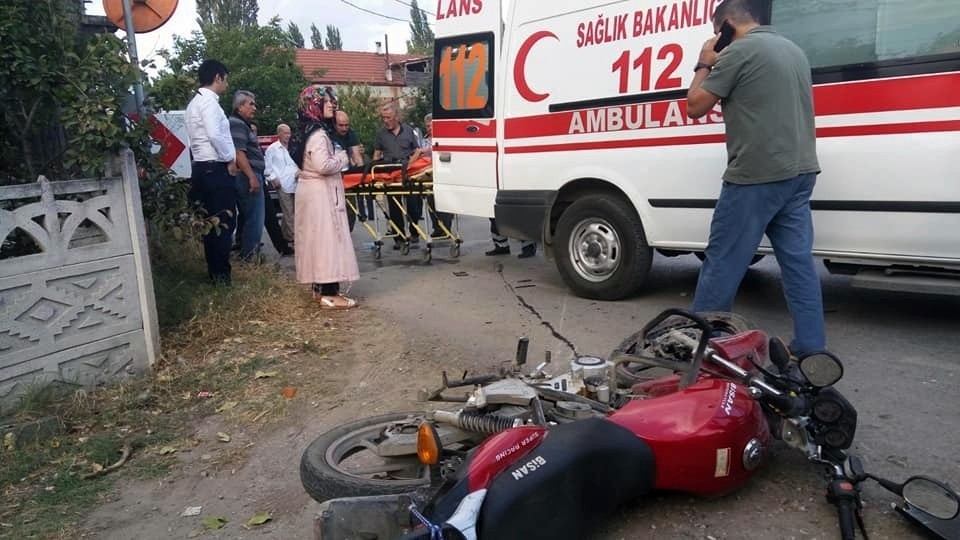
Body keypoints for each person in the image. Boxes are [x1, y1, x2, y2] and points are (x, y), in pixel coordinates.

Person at [686, 0, 825, 355]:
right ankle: (810, 347)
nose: (718, 38)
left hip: (756, 175)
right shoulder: (794, 50)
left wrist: (705, 60)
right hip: (800, 172)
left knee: (722, 261)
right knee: (797, 263)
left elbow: (695, 105)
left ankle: (706, 349)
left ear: (727, 25)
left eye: (719, 33)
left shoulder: (740, 52)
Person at [289, 85, 359, 309]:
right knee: (327, 240)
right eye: (326, 101)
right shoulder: (318, 135)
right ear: (314, 105)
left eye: (332, 101)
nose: (332, 104)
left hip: (311, 191)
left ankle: (319, 289)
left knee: (315, 240)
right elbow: (323, 165)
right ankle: (330, 292)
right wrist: (342, 158)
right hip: (321, 193)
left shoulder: (304, 131)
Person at [185, 59, 238, 285]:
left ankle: (216, 274)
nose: (227, 84)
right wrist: (230, 158)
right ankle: (221, 276)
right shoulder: (209, 104)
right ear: (218, 77)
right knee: (223, 223)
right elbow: (215, 135)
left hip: (201, 168)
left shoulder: (194, 103)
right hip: (214, 168)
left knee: (211, 225)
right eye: (226, 79)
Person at [373, 103, 424, 248]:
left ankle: (414, 231)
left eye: (388, 117)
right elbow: (377, 154)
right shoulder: (381, 134)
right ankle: (399, 237)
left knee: (413, 206)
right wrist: (375, 171)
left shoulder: (409, 131)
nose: (386, 121)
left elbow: (417, 151)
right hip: (391, 174)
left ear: (396, 117)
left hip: (408, 172)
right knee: (394, 208)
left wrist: (411, 164)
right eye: (383, 118)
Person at [229, 90, 267, 262]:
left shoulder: (242, 124)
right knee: (255, 219)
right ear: (239, 106)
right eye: (250, 104)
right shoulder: (237, 124)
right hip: (247, 176)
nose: (255, 108)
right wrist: (251, 176)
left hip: (249, 174)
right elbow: (239, 153)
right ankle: (250, 259)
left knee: (247, 217)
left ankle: (247, 255)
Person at [332, 110, 374, 228]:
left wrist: (362, 177)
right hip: (331, 174)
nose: (344, 128)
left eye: (347, 125)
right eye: (341, 125)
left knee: (350, 209)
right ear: (334, 124)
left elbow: (357, 156)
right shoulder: (328, 133)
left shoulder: (351, 134)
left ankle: (347, 232)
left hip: (347, 174)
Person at [420, 113, 454, 238]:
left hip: (443, 171)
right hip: (427, 173)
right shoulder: (423, 140)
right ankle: (437, 228)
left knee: (443, 201)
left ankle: (446, 228)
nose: (429, 128)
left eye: (431, 126)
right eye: (427, 126)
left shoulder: (443, 138)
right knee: (431, 202)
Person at [265, 123, 298, 245]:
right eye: (285, 133)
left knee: (292, 212)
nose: (288, 136)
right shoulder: (272, 149)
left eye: (289, 133)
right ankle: (294, 239)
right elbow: (267, 167)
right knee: (289, 212)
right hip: (282, 183)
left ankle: (285, 236)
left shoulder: (293, 147)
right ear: (279, 134)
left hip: (296, 183)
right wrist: (273, 178)